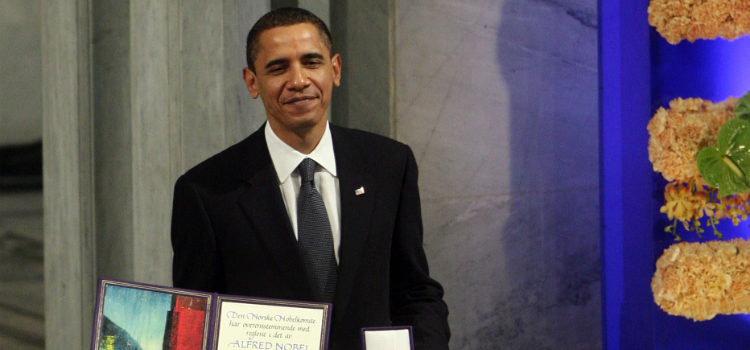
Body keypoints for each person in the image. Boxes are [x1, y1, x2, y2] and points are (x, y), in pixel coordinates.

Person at [170, 7, 450, 349]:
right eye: (278, 68)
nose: (299, 81)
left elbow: (417, 291)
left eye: (311, 62)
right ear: (251, 82)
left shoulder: (389, 165)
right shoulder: (206, 191)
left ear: (335, 69)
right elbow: (195, 324)